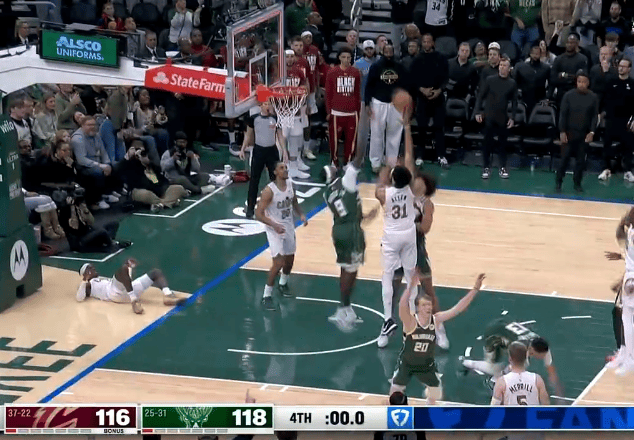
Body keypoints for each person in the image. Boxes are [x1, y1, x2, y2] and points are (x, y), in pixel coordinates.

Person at [390, 272, 485, 404]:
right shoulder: (410, 321)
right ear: (417, 307)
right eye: (424, 305)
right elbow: (402, 305)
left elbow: (457, 309)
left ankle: (428, 409)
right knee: (394, 394)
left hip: (426, 365)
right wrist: (411, 286)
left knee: (436, 393)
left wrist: (475, 289)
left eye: (429, 304)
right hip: (407, 364)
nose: (428, 307)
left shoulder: (435, 320)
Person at [322, 127, 379, 331]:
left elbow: (345, 211)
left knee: (346, 268)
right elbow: (359, 156)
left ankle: (346, 307)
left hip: (340, 229)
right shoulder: (345, 181)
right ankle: (343, 308)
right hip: (351, 232)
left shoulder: (327, 193)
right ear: (332, 174)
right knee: (351, 270)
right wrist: (364, 122)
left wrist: (364, 216)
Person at [375, 97, 419, 348]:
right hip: (408, 233)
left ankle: (387, 319)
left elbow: (380, 184)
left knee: (387, 276)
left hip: (391, 237)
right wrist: (407, 127)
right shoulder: (411, 187)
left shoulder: (384, 193)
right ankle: (411, 318)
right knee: (411, 276)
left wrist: (386, 167)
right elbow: (409, 156)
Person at [461, 318, 563, 396]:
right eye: (539, 356)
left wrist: (558, 391)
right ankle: (467, 364)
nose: (541, 357)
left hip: (504, 328)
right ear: (533, 350)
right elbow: (512, 366)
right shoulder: (522, 347)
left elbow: (551, 370)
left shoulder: (543, 348)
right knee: (495, 368)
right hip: (493, 335)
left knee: (518, 365)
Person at [256, 162, 307, 311]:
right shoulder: (269, 191)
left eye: (285, 167)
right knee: (278, 263)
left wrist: (301, 214)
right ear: (275, 172)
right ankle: (266, 296)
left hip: (288, 226)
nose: (285, 170)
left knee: (290, 260)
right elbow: (258, 214)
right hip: (274, 229)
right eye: (281, 168)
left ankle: (283, 284)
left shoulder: (290, 184)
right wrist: (274, 225)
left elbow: (294, 201)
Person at [77, 259, 186, 315]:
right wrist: (84, 280)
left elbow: (126, 279)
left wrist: (130, 268)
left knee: (155, 272)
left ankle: (168, 295)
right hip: (113, 293)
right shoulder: (88, 284)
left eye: (92, 267)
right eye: (89, 268)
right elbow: (79, 298)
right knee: (122, 269)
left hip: (127, 291)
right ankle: (134, 301)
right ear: (85, 273)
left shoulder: (101, 279)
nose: (93, 268)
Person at [239, 100, 288, 219]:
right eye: (265, 104)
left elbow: (280, 135)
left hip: (272, 151)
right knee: (254, 180)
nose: (267, 106)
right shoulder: (253, 119)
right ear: (260, 106)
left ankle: (277, 206)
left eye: (269, 104)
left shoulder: (275, 119)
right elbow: (248, 135)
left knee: (275, 179)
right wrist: (242, 149)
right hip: (259, 151)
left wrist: (284, 151)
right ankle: (250, 208)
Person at [365, 45, 409, 172]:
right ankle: (376, 162)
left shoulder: (400, 67)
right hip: (378, 102)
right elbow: (369, 85)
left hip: (396, 104)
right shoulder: (376, 66)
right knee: (376, 134)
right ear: (382, 51)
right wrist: (367, 103)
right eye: (386, 50)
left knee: (395, 135)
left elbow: (405, 86)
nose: (389, 52)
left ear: (393, 52)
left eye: (391, 50)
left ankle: (391, 163)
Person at [475, 56, 518, 180]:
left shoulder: (512, 83)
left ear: (509, 69)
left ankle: (502, 167)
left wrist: (512, 117)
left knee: (502, 144)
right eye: (501, 65)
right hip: (489, 116)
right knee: (487, 143)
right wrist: (477, 112)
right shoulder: (490, 80)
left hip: (502, 117)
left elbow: (514, 102)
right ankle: (486, 167)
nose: (502, 68)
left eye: (505, 66)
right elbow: (480, 96)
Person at [556, 70, 598, 193]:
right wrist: (562, 131)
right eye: (579, 81)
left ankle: (577, 183)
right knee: (564, 159)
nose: (581, 84)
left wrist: (592, 132)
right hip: (569, 133)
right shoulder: (568, 95)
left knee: (580, 161)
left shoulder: (593, 97)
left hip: (583, 134)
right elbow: (562, 114)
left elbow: (594, 117)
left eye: (584, 82)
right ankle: (559, 182)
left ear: (588, 83)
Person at [410, 33, 449, 168]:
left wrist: (439, 90)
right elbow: (413, 78)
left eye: (428, 41)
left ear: (433, 43)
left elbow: (446, 77)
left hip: (438, 98)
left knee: (439, 128)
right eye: (424, 42)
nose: (426, 44)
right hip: (422, 98)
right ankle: (420, 156)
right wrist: (421, 89)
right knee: (421, 128)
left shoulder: (441, 58)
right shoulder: (417, 59)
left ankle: (441, 156)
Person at [325, 46, 362, 167]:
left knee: (351, 140)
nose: (346, 59)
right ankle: (334, 161)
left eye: (348, 57)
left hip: (352, 112)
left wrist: (358, 111)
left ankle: (348, 162)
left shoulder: (355, 72)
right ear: (339, 58)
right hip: (336, 112)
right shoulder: (332, 72)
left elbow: (357, 93)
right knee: (334, 140)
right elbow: (328, 93)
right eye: (344, 57)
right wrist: (329, 111)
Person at [599, 58, 634, 183]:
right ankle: (606, 169)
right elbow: (604, 99)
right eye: (620, 66)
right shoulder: (611, 82)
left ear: (629, 69)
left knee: (628, 145)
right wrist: (601, 113)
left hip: (626, 121)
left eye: (624, 66)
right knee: (607, 144)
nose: (621, 68)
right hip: (611, 119)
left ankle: (627, 171)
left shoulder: (632, 84)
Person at [491, 341, 550, 406]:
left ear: (510, 359)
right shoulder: (537, 379)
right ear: (526, 358)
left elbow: (493, 408)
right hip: (531, 413)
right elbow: (546, 405)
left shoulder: (502, 382)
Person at [282, 49, 311, 179]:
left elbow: (305, 87)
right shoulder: (278, 71)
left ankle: (294, 167)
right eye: (287, 56)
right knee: (282, 139)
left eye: (291, 56)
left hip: (296, 110)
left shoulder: (299, 71)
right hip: (282, 111)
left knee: (296, 137)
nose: (289, 59)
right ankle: (281, 166)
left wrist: (304, 99)